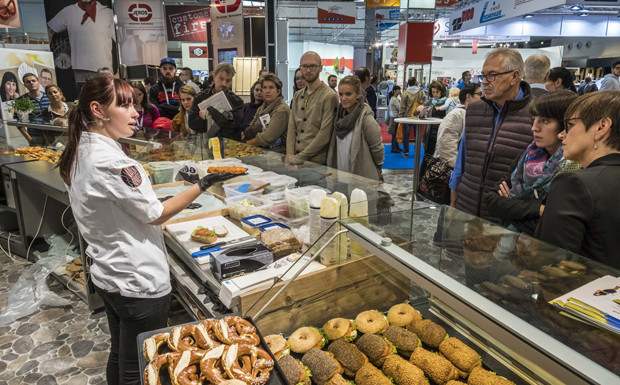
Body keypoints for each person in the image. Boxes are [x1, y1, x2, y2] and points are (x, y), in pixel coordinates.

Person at [56, 75, 235, 385]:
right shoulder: (114, 163)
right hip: (137, 282)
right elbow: (156, 214)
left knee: (121, 354)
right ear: (98, 110)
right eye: (124, 105)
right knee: (141, 367)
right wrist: (202, 184)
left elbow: (117, 204)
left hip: (107, 274)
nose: (135, 112)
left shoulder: (78, 150)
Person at [535, 91, 620, 268]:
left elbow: (552, 267)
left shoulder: (574, 184)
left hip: (582, 293)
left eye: (570, 125)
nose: (561, 134)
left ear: (601, 127)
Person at [450, 48, 534, 222]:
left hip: (505, 216)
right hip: (466, 206)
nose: (485, 82)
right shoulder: (474, 110)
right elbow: (462, 161)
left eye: (492, 75)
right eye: (483, 76)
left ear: (514, 76)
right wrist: (453, 203)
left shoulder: (535, 115)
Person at [486, 90, 577, 235]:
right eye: (533, 119)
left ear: (565, 124)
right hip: (512, 244)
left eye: (545, 121)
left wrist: (512, 208)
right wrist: (538, 209)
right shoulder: (530, 155)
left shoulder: (576, 165)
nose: (534, 127)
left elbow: (552, 224)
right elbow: (492, 200)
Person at [285, 51, 339, 166]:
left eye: (312, 66)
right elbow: (291, 127)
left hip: (316, 162)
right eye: (304, 66)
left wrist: (300, 157)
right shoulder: (297, 95)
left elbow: (325, 134)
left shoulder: (329, 96)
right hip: (295, 160)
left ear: (320, 68)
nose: (308, 70)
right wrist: (290, 155)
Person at [327, 75, 384, 181]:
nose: (343, 98)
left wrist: (378, 172)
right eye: (341, 94)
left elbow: (378, 150)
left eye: (348, 94)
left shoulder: (367, 119)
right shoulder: (338, 116)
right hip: (340, 176)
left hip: (361, 178)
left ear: (358, 95)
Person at [47, 0, 116, 82]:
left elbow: (120, 42)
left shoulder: (107, 13)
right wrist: (46, 59)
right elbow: (49, 30)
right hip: (79, 70)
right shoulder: (69, 11)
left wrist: (119, 73)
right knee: (82, 94)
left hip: (103, 71)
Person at [188, 62, 244, 140]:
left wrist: (209, 117)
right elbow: (192, 123)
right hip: (206, 143)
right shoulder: (199, 98)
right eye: (221, 78)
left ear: (231, 82)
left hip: (228, 144)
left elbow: (237, 127)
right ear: (214, 77)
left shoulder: (237, 101)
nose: (224, 83)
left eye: (228, 80)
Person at [434, 84, 482, 168]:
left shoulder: (471, 114)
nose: (482, 98)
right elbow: (446, 147)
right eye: (479, 94)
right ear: (469, 97)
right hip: (454, 170)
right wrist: (458, 169)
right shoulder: (455, 116)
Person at [243, 73, 289, 154]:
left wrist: (245, 145)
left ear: (278, 91)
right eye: (264, 87)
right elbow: (250, 129)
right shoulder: (261, 108)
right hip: (263, 151)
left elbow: (267, 137)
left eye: (271, 87)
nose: (267, 91)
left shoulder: (282, 109)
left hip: (279, 154)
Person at [15, 73, 50, 145]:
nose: (31, 83)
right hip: (35, 136)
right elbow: (18, 122)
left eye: (33, 81)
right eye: (28, 82)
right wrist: (29, 139)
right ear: (25, 85)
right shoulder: (22, 100)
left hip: (52, 134)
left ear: (38, 82)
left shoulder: (49, 96)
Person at [398, 76, 426, 157]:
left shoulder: (405, 93)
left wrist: (401, 116)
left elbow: (402, 106)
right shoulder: (421, 92)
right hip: (417, 117)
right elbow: (424, 102)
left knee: (406, 136)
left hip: (407, 117)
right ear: (415, 83)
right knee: (418, 135)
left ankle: (406, 152)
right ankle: (417, 151)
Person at [388, 85, 402, 153]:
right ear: (395, 91)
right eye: (398, 90)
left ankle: (396, 146)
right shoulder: (395, 99)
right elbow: (399, 108)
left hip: (393, 117)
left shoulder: (393, 98)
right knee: (394, 134)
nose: (399, 91)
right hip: (395, 117)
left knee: (396, 133)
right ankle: (394, 148)